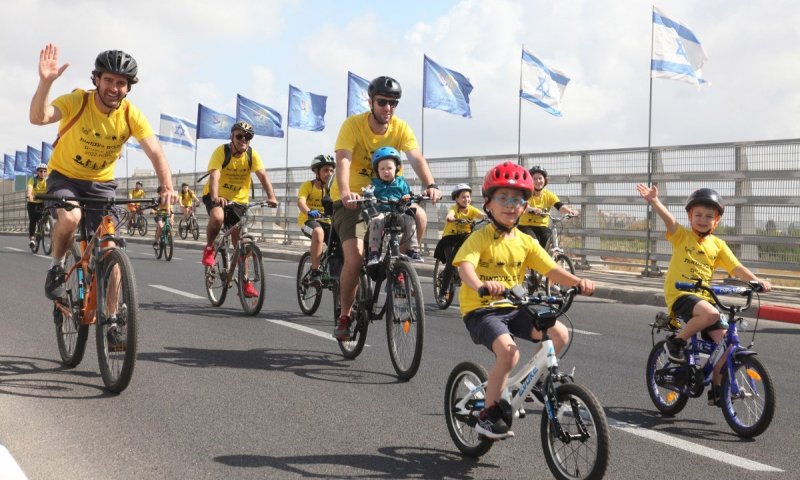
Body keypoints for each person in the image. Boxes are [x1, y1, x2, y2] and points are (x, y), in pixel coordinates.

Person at [453, 162, 595, 439]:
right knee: (510, 353)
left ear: (525, 206)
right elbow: (465, 267)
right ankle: (488, 415)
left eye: (517, 200)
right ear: (488, 204)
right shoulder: (480, 238)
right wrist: (481, 285)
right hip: (482, 309)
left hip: (514, 306)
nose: (510, 205)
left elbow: (551, 269)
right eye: (503, 198)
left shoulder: (525, 241)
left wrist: (578, 282)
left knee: (560, 334)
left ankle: (536, 384)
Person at [29, 44, 176, 300]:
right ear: (96, 79)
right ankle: (57, 266)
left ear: (128, 88)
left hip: (102, 184)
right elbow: (38, 117)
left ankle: (112, 319)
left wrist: (167, 187)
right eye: (108, 80)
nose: (113, 88)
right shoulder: (78, 101)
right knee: (71, 218)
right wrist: (45, 83)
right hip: (65, 178)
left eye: (121, 83)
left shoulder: (130, 115)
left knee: (112, 252)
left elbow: (155, 151)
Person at [637, 184, 772, 405]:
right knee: (710, 314)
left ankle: (717, 392)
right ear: (690, 216)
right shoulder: (682, 236)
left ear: (716, 221)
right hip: (681, 294)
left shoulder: (718, 245)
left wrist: (756, 282)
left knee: (726, 345)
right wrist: (655, 201)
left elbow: (736, 267)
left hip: (705, 298)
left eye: (709, 216)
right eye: (698, 215)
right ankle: (676, 343)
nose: (703, 219)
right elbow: (669, 221)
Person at [331, 75, 441, 340]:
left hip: (390, 198)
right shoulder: (353, 125)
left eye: (393, 103)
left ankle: (399, 271)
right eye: (382, 102)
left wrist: (431, 184)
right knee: (355, 258)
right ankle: (345, 315)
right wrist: (345, 192)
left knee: (419, 215)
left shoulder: (400, 128)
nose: (388, 108)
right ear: (370, 102)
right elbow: (343, 160)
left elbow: (416, 157)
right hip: (355, 200)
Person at [200, 121, 278, 298]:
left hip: (239, 201)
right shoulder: (222, 152)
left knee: (241, 241)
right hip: (217, 195)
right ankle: (210, 248)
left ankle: (245, 282)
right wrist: (215, 197)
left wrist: (272, 197)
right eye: (240, 136)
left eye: (248, 136)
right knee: (218, 217)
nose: (244, 139)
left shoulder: (251, 155)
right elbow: (215, 176)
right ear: (232, 137)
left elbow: (263, 176)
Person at [365, 147, 422, 266]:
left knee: (410, 219)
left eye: (389, 168)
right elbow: (368, 195)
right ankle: (374, 252)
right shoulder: (374, 183)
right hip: (382, 213)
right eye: (382, 169)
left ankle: (412, 250)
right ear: (377, 170)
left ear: (397, 168)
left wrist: (407, 198)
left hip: (398, 213)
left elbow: (409, 196)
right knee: (375, 221)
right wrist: (368, 195)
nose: (386, 171)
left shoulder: (401, 183)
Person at [433, 183, 485, 302]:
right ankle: (443, 292)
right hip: (450, 237)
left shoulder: (471, 209)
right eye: (463, 197)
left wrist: (489, 217)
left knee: (475, 255)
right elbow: (450, 214)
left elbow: (481, 214)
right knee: (451, 263)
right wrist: (450, 217)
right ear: (456, 199)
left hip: (465, 237)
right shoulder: (454, 208)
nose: (466, 199)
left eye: (468, 197)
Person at [517, 165, 578, 250]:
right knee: (534, 243)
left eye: (540, 178)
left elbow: (559, 206)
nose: (538, 181)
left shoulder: (548, 195)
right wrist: (533, 209)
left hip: (542, 227)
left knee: (549, 244)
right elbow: (523, 206)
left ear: (545, 180)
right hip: (526, 226)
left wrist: (570, 211)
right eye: (534, 179)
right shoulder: (526, 193)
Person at [297, 154, 336, 287]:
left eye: (331, 170)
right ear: (316, 172)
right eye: (325, 170)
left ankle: (334, 271)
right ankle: (315, 272)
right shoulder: (308, 185)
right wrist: (308, 211)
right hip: (307, 221)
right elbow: (301, 201)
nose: (329, 173)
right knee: (318, 233)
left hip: (328, 221)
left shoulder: (334, 188)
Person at [26, 163, 49, 249]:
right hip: (32, 203)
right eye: (41, 171)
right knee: (33, 221)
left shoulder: (47, 181)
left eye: (44, 171)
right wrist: (29, 195)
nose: (43, 173)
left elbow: (51, 190)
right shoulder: (33, 180)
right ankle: (32, 239)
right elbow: (29, 188)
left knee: (48, 211)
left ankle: (46, 224)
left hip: (42, 203)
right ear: (37, 172)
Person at [152, 185, 175, 250]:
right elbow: (153, 208)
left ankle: (169, 235)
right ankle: (156, 242)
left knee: (171, 223)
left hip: (166, 216)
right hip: (159, 215)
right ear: (159, 193)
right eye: (162, 192)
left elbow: (172, 212)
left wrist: (171, 218)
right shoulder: (157, 200)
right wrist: (153, 211)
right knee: (161, 226)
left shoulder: (169, 200)